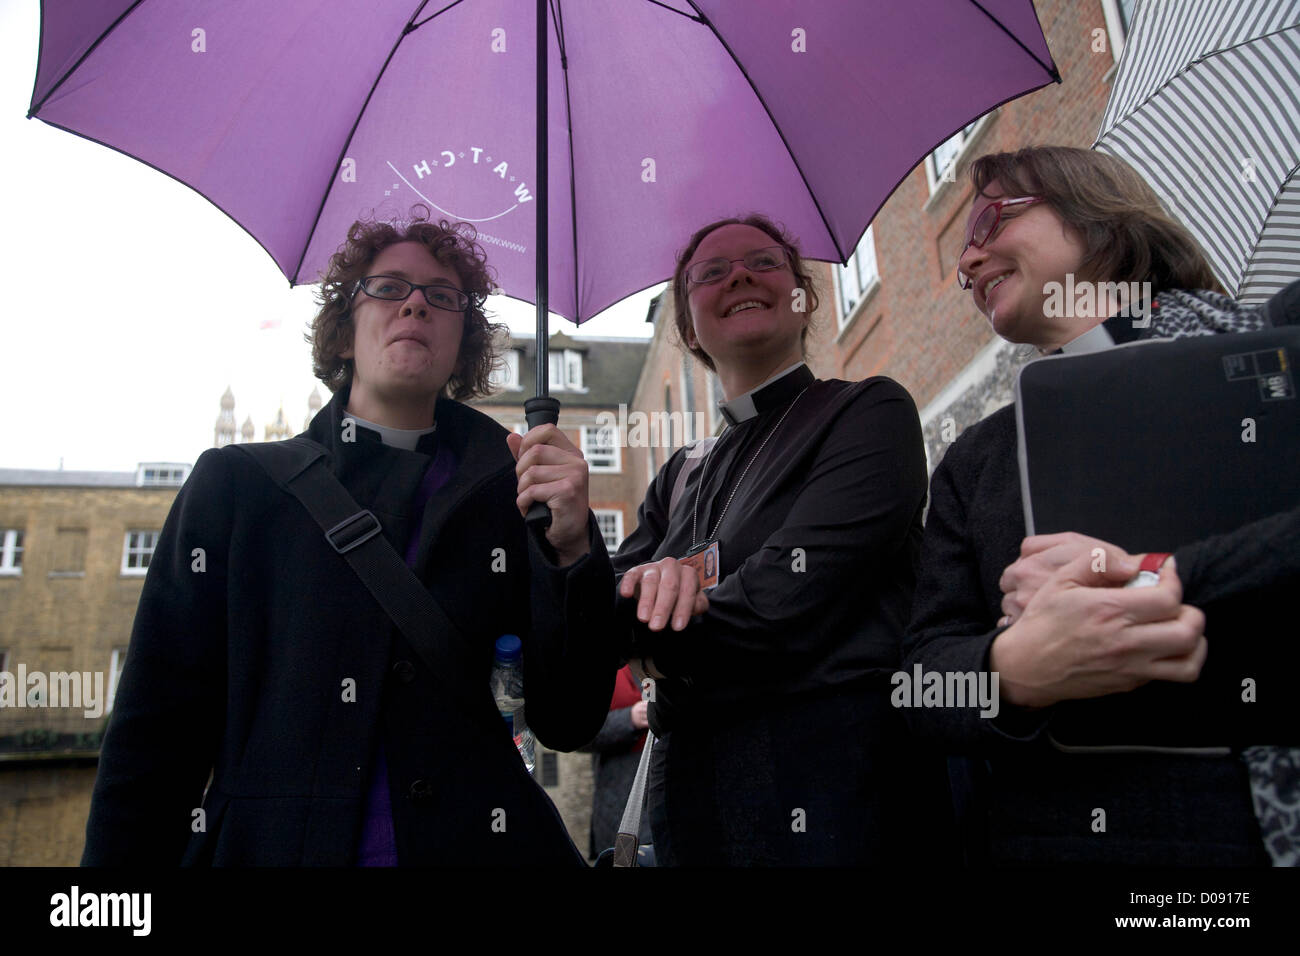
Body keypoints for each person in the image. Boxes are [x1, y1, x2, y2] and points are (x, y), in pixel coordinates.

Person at [82, 212, 618, 866]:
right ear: (343, 332)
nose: (417, 303)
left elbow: (568, 719)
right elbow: (153, 741)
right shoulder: (238, 489)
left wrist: (571, 552)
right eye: (389, 287)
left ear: (463, 342)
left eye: (442, 296)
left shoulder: (516, 496)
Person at [904, 145, 1300, 865]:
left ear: (1094, 211)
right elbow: (918, 682)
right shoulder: (975, 459)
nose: (967, 262)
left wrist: (1152, 579)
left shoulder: (1274, 347)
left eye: (991, 220)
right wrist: (1011, 670)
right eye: (962, 245)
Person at [610, 214, 949, 866]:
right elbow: (596, 610)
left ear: (806, 298)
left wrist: (647, 646)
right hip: (695, 813)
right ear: (687, 324)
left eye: (764, 263)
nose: (739, 274)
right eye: (710, 273)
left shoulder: (867, 414)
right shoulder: (679, 475)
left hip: (846, 808)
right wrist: (571, 538)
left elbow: (783, 604)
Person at [580, 665, 654, 860]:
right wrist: (629, 718)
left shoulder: (653, 659)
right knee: (625, 859)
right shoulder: (598, 669)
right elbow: (576, 734)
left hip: (666, 788)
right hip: (619, 801)